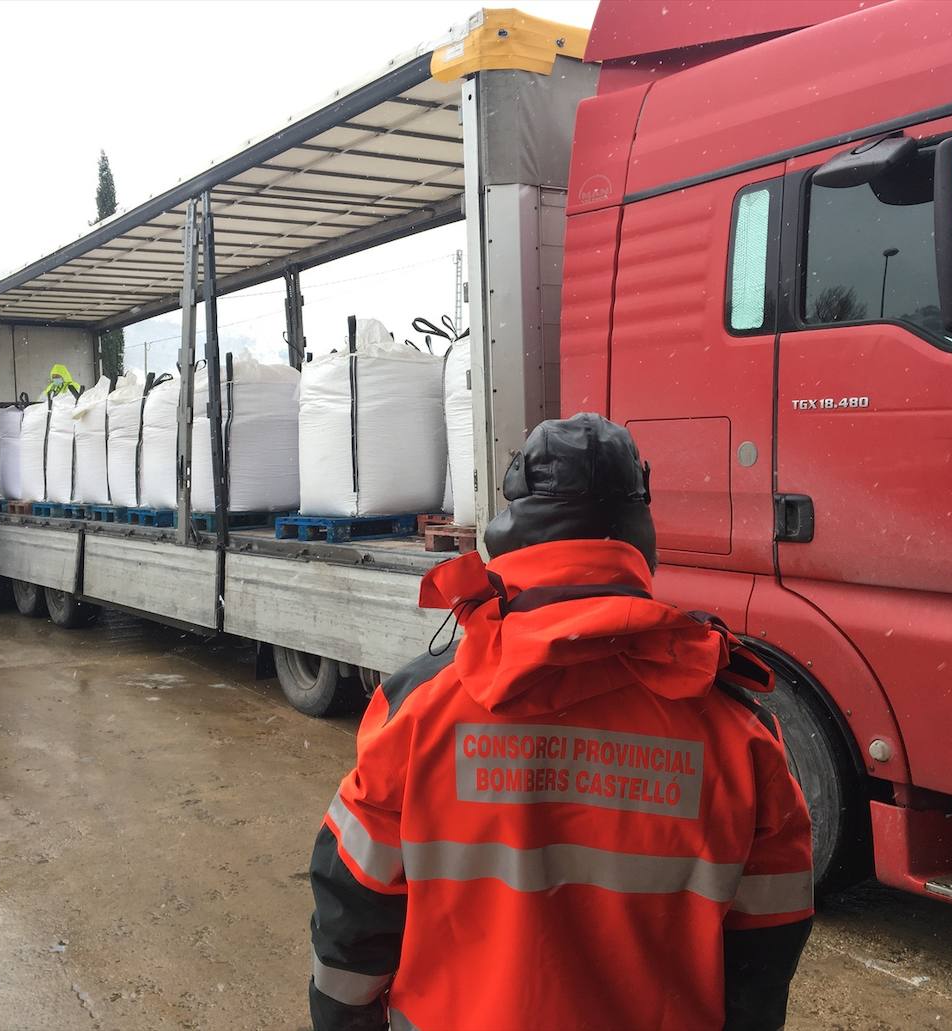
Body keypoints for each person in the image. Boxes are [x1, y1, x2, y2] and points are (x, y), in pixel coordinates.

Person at [308, 413, 813, 1031]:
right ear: (638, 532)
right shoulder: (738, 734)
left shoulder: (421, 708)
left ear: (515, 524)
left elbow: (355, 905)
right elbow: (765, 947)